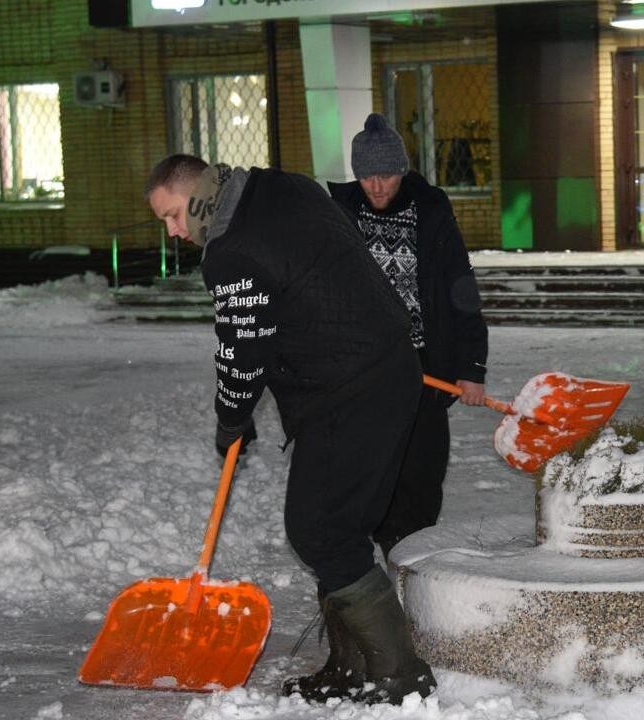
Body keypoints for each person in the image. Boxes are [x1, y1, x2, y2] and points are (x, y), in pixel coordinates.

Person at [144, 155, 436, 705]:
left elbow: (240, 352)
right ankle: (353, 669)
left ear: (200, 193)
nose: (174, 231)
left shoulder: (231, 251)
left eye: (174, 215)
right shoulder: (282, 187)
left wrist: (231, 419)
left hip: (349, 388)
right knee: (338, 531)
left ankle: (399, 678)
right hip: (385, 368)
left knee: (320, 530)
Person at [328, 113, 489, 560]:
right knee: (371, 469)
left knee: (420, 471)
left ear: (402, 170)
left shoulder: (430, 211)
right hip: (363, 372)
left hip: (423, 368)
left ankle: (413, 557)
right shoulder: (339, 213)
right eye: (366, 176)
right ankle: (377, 551)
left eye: (386, 175)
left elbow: (461, 290)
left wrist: (471, 367)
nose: (377, 186)